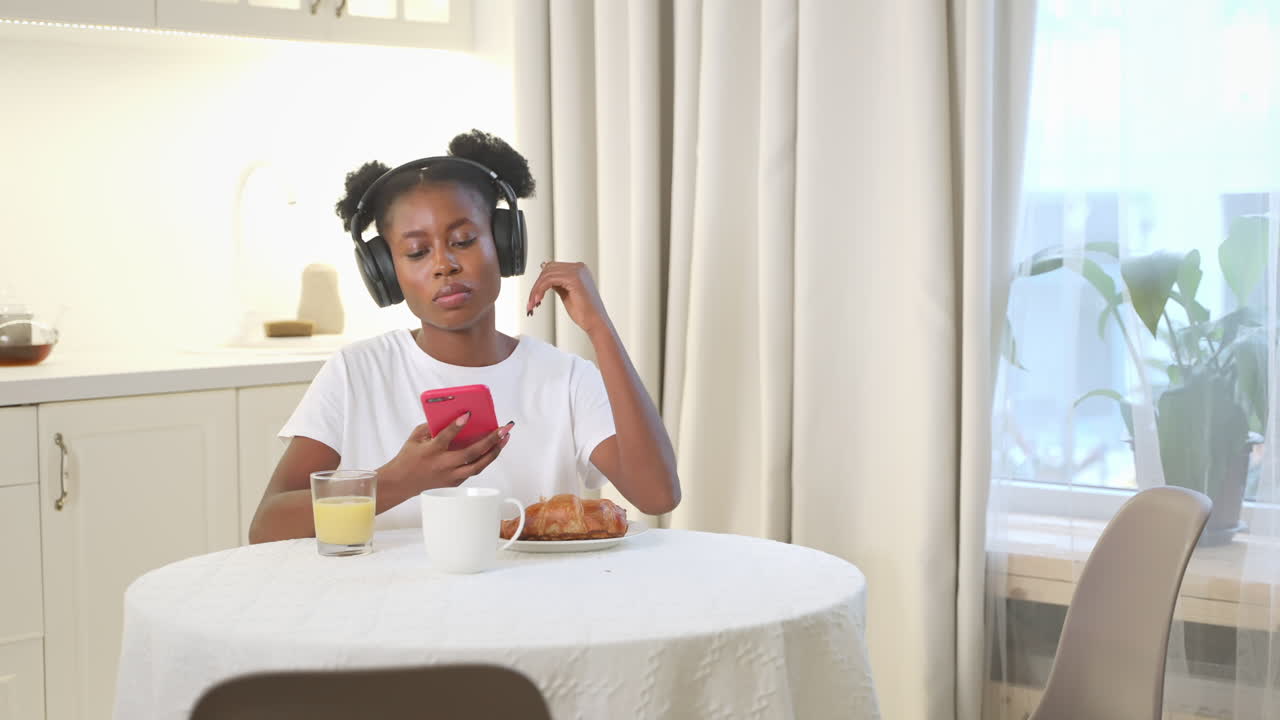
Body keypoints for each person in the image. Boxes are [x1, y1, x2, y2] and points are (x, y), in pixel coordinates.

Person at [248, 130, 679, 543]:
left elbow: (657, 495)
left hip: (534, 609)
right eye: (417, 252)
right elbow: (266, 527)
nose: (444, 264)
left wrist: (599, 327)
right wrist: (398, 481)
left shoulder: (564, 379)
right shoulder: (356, 373)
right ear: (386, 273)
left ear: (506, 244)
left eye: (464, 240)